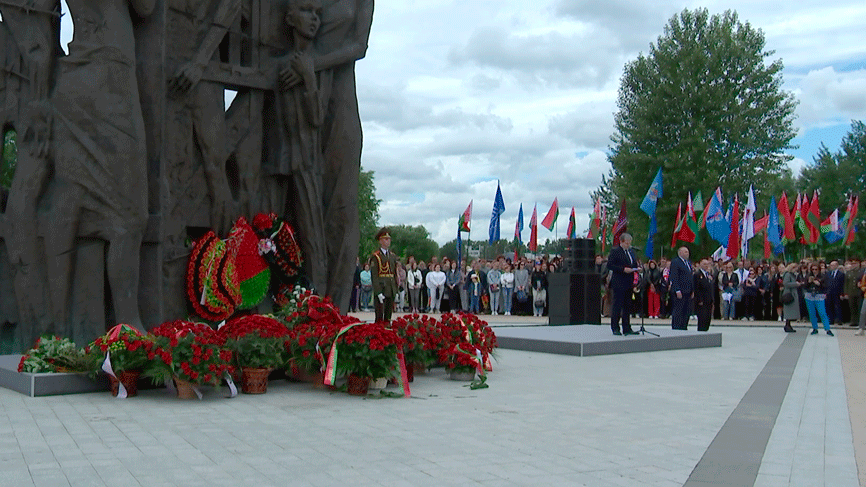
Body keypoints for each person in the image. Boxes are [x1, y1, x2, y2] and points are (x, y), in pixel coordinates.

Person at [606, 233, 640, 335]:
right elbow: (610, 265)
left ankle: (627, 327)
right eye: (626, 243)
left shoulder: (631, 252)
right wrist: (623, 269)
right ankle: (615, 327)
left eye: (629, 243)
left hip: (628, 282)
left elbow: (633, 264)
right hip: (619, 282)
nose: (628, 245)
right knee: (617, 305)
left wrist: (637, 269)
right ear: (621, 242)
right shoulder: (615, 251)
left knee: (627, 306)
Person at [368, 228, 398, 322]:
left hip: (391, 288)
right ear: (380, 241)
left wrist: (396, 290)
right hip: (382, 287)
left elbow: (394, 274)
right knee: (380, 316)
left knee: (388, 316)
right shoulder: (376, 256)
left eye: (389, 239)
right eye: (385, 239)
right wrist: (378, 292)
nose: (388, 241)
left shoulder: (392, 256)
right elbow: (375, 276)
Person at [803, 263, 833, 336]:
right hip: (810, 295)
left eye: (816, 269)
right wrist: (809, 282)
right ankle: (815, 328)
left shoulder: (823, 276)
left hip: (819, 295)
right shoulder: (808, 276)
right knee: (812, 313)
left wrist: (819, 284)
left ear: (819, 269)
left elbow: (827, 286)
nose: (814, 271)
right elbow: (804, 286)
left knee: (822, 312)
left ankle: (827, 329)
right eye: (812, 269)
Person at [669, 246, 693, 330]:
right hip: (680, 291)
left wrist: (692, 290)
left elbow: (690, 277)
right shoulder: (676, 262)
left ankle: (684, 327)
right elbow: (674, 276)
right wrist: (677, 289)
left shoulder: (688, 263)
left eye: (687, 252)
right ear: (680, 253)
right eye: (685, 252)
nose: (687, 253)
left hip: (688, 291)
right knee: (678, 310)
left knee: (686, 311)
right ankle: (676, 327)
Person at [693, 258, 715, 331]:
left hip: (709, 300)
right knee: (702, 319)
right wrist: (699, 300)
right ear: (700, 265)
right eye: (704, 264)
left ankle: (706, 332)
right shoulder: (697, 274)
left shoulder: (708, 275)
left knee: (707, 319)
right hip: (702, 301)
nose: (706, 266)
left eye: (707, 264)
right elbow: (696, 288)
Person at [781, 263, 800, 332]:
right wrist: (795, 284)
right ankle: (787, 325)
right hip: (789, 294)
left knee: (791, 311)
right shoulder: (788, 274)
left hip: (792, 294)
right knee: (789, 310)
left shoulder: (792, 275)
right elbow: (786, 283)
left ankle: (788, 324)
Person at [825, 260, 845, 325]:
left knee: (838, 307)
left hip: (837, 292)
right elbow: (826, 283)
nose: (831, 266)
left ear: (837, 265)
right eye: (831, 265)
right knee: (829, 306)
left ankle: (839, 320)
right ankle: (831, 320)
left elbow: (842, 284)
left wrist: (842, 293)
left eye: (833, 265)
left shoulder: (841, 274)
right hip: (829, 292)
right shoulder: (828, 273)